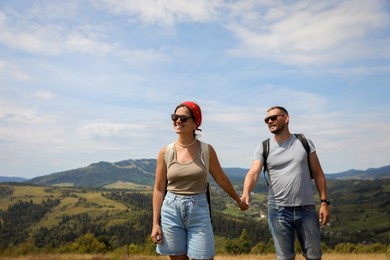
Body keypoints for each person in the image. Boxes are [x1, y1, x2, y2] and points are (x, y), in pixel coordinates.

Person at [151, 101, 246, 260]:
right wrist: (155, 224)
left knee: (204, 257)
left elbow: (221, 178)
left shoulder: (206, 150)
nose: (178, 121)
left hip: (199, 208)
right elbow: (159, 189)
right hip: (170, 210)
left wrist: (238, 200)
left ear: (195, 123)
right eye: (175, 117)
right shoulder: (165, 152)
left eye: (183, 118)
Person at [241, 106, 330, 260]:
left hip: (306, 209)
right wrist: (246, 192)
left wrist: (324, 203)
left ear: (286, 118)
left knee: (314, 256)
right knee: (285, 257)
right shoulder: (264, 147)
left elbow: (318, 173)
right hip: (278, 211)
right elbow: (253, 173)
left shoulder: (304, 141)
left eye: (273, 117)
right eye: (266, 120)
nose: (269, 121)